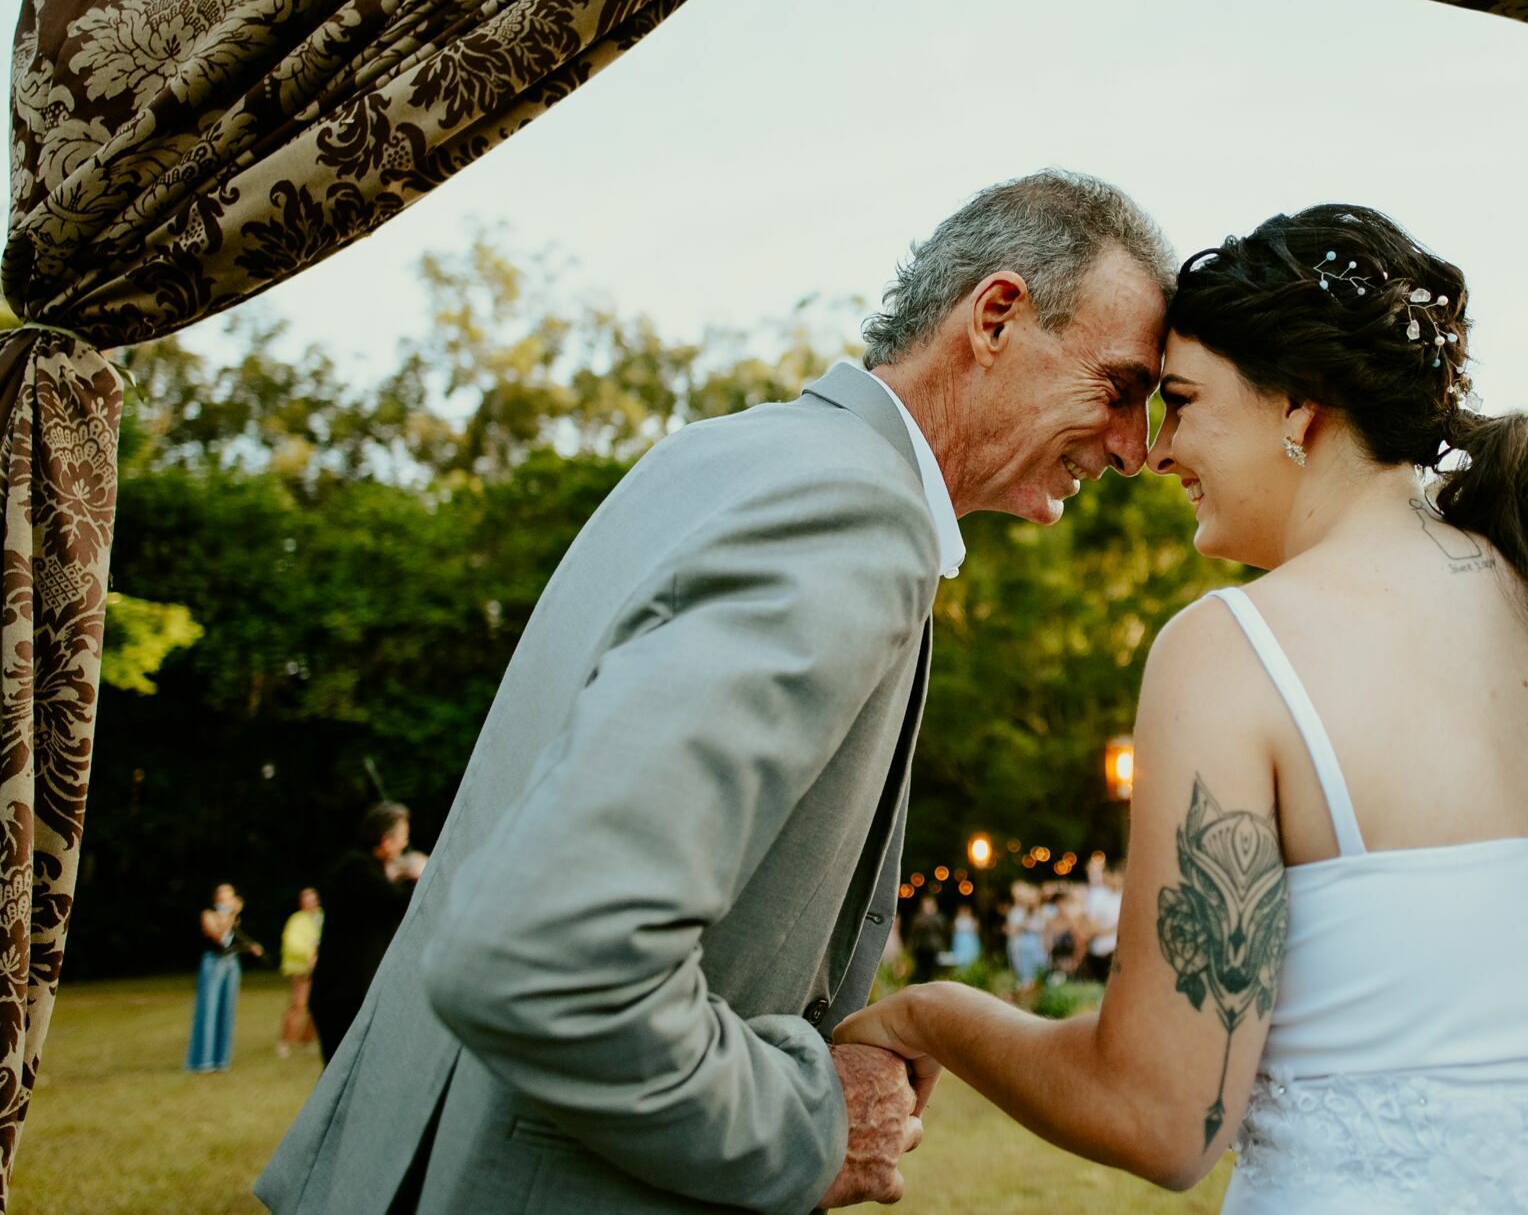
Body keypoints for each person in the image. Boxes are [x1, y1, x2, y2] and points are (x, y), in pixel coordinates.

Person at [837, 205, 1528, 1213]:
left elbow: (1162, 1116)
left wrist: (933, 1011)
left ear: (1301, 406)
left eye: (1187, 402)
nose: (1157, 451)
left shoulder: (1232, 657)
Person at [258, 169, 1175, 1215]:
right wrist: (809, 1123)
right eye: (1120, 387)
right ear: (997, 316)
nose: (1136, 451)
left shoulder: (717, 455)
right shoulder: (854, 517)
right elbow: (548, 959)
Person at [307, 802, 426, 1063]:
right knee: (344, 1077)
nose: (403, 849)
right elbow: (395, 902)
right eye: (402, 841)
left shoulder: (365, 869)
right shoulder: (356, 869)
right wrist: (422, 878)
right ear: (385, 841)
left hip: (353, 992)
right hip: (343, 995)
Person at [185, 882, 263, 1072]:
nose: (225, 898)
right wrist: (232, 913)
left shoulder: (233, 919)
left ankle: (221, 1060)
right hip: (213, 962)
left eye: (229, 895)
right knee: (209, 1009)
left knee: (227, 1010)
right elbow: (219, 936)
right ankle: (202, 1061)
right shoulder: (209, 915)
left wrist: (250, 947)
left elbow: (231, 940)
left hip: (230, 963)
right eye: (222, 895)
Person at [277, 887, 324, 1058]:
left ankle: (307, 1040)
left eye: (312, 898)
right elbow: (292, 943)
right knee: (298, 1004)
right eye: (306, 899)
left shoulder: (322, 917)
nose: (309, 902)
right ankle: (285, 1041)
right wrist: (309, 954)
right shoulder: (296, 920)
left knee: (318, 1006)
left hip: (321, 967)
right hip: (302, 969)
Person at [1081, 856, 1122, 984]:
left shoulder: (1125, 897)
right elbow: (1090, 928)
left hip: (1117, 951)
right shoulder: (1099, 898)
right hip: (1101, 951)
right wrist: (1115, 928)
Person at [1005, 883, 1049, 990]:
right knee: (1024, 976)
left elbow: (1046, 931)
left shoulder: (1043, 912)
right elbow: (1013, 931)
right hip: (1023, 948)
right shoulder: (1019, 912)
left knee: (1039, 973)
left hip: (1038, 948)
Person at [906, 895, 949, 982]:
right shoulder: (918, 918)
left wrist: (930, 916)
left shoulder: (939, 917)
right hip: (921, 948)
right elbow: (914, 931)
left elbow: (942, 928)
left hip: (934, 948)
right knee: (921, 970)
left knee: (933, 971)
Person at [948, 906, 982, 971]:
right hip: (960, 941)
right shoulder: (957, 920)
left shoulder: (973, 920)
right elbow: (955, 931)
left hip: (970, 942)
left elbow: (976, 931)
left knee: (971, 958)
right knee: (960, 959)